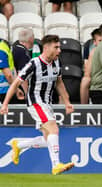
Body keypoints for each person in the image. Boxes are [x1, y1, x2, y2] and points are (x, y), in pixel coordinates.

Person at [0, 35, 75, 175]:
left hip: (47, 103)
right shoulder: (33, 64)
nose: (59, 50)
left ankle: (18, 145)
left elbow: (59, 83)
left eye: (59, 47)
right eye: (56, 47)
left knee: (48, 140)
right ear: (46, 48)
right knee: (54, 129)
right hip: (35, 103)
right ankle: (56, 164)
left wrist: (67, 102)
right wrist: (5, 104)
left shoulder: (56, 63)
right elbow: (16, 82)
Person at [12, 28, 41, 95]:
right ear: (30, 39)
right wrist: (27, 93)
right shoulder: (22, 52)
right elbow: (22, 75)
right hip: (19, 89)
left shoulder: (14, 48)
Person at [80, 29, 102, 104]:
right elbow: (87, 69)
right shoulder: (90, 49)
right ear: (95, 42)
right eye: (100, 40)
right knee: (85, 81)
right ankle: (84, 109)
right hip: (94, 75)